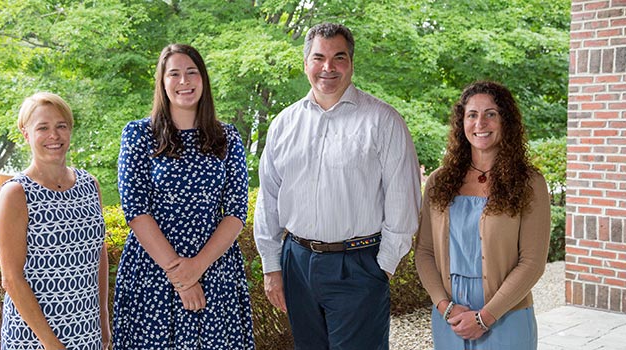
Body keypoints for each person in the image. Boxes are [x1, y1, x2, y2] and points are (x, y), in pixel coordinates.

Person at [254, 22, 421, 349]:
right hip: (297, 263)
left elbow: (403, 200)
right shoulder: (284, 124)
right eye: (319, 57)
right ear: (306, 64)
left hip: (358, 264)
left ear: (351, 63)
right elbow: (269, 200)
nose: (327, 67)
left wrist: (381, 270)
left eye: (338, 57)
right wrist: (272, 267)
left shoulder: (383, 121)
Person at [112, 43, 254, 349]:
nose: (184, 81)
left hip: (215, 271)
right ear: (162, 83)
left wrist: (197, 268)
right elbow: (136, 210)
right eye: (174, 74)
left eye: (192, 72)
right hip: (153, 273)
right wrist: (179, 274)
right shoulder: (137, 135)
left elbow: (235, 212)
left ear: (203, 79)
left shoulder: (227, 137)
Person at [414, 81, 551, 349]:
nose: (480, 123)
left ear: (506, 121)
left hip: (506, 315)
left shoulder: (529, 183)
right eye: (472, 115)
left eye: (491, 114)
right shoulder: (439, 182)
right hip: (450, 318)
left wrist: (485, 317)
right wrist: (445, 306)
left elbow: (532, 262)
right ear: (461, 122)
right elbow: (424, 252)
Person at [0, 92, 111, 349]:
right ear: (26, 134)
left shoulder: (90, 185)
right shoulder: (16, 193)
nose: (54, 136)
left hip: (86, 331)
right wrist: (52, 344)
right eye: (43, 128)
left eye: (61, 126)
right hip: (34, 338)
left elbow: (98, 254)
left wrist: (103, 320)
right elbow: (11, 279)